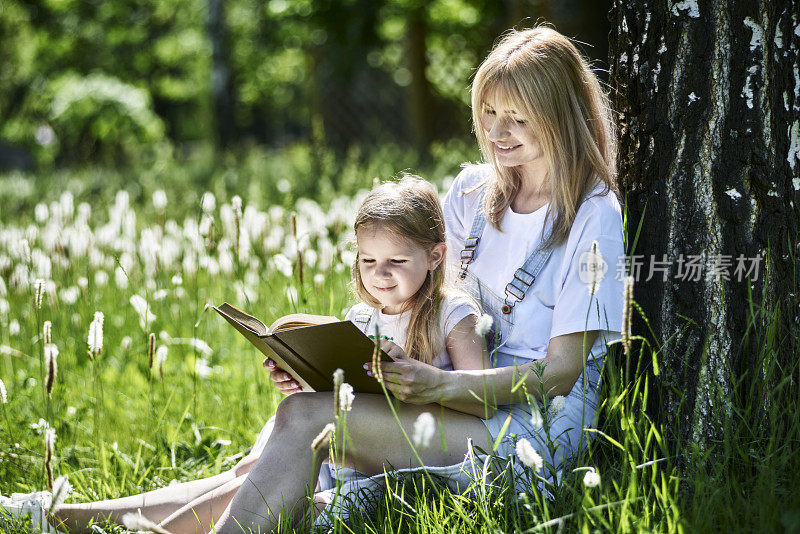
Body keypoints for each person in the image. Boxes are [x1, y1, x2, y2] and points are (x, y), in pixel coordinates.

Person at [6, 24, 625, 534]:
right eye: (488, 113)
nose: (496, 133)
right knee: (276, 445)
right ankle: (67, 519)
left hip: (523, 430)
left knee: (310, 422)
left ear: (558, 117)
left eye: (517, 119)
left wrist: (435, 385)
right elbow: (427, 307)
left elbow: (562, 371)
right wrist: (324, 353)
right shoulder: (470, 193)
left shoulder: (593, 215)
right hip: (444, 392)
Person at [3, 177, 489, 534]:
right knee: (243, 474)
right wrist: (304, 379)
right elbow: (340, 391)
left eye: (397, 262)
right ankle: (65, 514)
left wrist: (416, 374)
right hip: (343, 449)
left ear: (437, 257)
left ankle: (81, 519)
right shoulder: (361, 319)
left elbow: (480, 400)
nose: (380, 275)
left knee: (248, 483)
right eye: (368, 262)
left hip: (396, 453)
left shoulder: (453, 314)